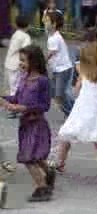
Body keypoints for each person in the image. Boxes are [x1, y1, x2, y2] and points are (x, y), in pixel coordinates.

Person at [56, 42, 97, 178]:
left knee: (66, 133)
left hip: (83, 109)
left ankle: (60, 162)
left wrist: (73, 89)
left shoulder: (84, 73)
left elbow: (75, 91)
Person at [0, 45, 55, 202]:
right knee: (36, 156)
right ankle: (49, 172)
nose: (20, 64)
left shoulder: (42, 81)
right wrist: (4, 100)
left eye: (23, 60)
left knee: (28, 158)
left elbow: (45, 106)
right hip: (25, 125)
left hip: (36, 125)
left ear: (35, 62)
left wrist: (23, 108)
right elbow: (16, 98)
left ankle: (42, 188)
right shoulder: (24, 79)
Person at [46, 11, 74, 117]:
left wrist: (39, 61)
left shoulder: (55, 38)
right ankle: (73, 110)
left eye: (48, 21)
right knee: (55, 92)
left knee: (59, 95)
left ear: (54, 24)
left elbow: (50, 54)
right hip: (58, 69)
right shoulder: (52, 36)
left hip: (62, 69)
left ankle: (71, 114)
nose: (45, 22)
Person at [4, 15, 32, 119]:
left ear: (16, 25)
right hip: (18, 65)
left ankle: (14, 107)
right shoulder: (26, 37)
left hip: (9, 63)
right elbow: (27, 51)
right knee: (18, 87)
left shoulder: (15, 34)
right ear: (28, 25)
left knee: (13, 86)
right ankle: (14, 108)